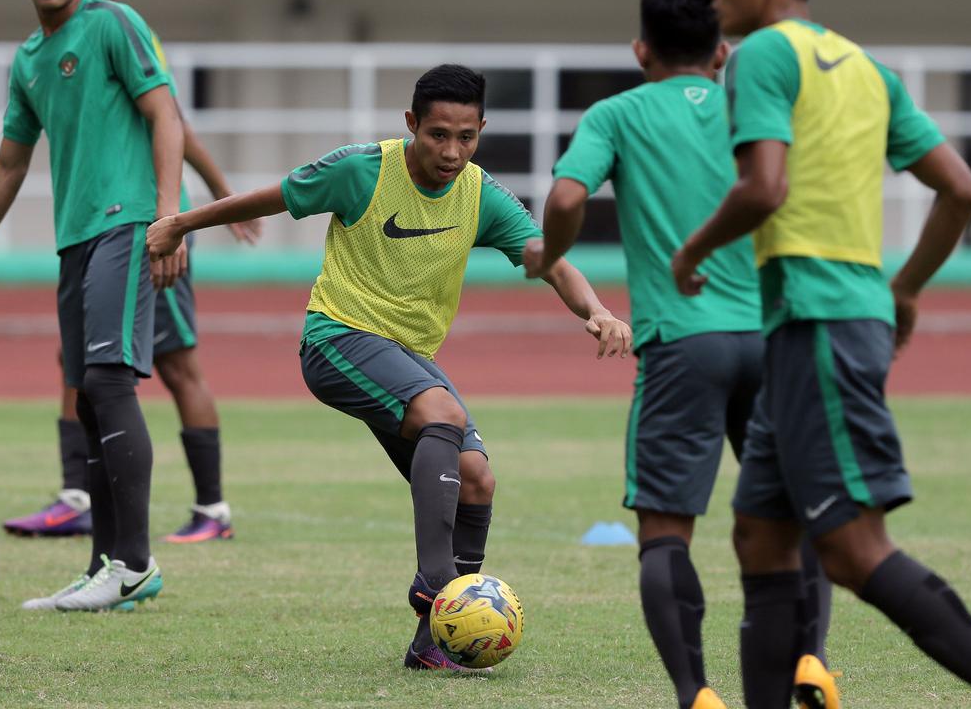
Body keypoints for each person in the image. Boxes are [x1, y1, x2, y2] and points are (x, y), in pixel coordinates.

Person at [146, 64, 633, 669]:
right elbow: (275, 197)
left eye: (466, 136)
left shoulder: (482, 194)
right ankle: (438, 586)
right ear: (411, 125)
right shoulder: (362, 171)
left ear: (480, 128)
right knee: (443, 414)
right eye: (437, 135)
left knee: (477, 477)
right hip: (337, 340)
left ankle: (431, 643)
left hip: (408, 359)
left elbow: (550, 259)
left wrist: (597, 310)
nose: (452, 151)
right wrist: (180, 224)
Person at [672, 0, 971, 707]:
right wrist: (907, 287)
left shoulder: (763, 53)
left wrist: (693, 250)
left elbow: (765, 188)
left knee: (854, 551)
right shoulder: (865, 66)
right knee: (760, 540)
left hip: (817, 324)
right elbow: (960, 189)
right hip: (823, 322)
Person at [526, 0, 828, 707]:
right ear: (722, 51)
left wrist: (550, 257)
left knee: (666, 530)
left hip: (681, 344)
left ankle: (697, 693)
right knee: (793, 514)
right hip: (768, 333)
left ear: (640, 51)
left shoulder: (617, 114)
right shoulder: (745, 108)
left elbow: (567, 199)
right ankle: (812, 661)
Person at [0, 0, 183, 612]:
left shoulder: (112, 24)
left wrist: (171, 218)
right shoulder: (29, 60)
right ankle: (106, 567)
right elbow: (9, 165)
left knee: (108, 382)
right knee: (90, 399)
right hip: (74, 239)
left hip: (128, 223)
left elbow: (166, 115)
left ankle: (134, 564)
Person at [1, 0, 261, 544]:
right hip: (109, 230)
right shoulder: (63, 42)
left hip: (146, 228)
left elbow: (172, 119)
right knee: (80, 359)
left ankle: (211, 509)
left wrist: (206, 200)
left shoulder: (117, 28)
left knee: (172, 364)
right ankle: (80, 496)